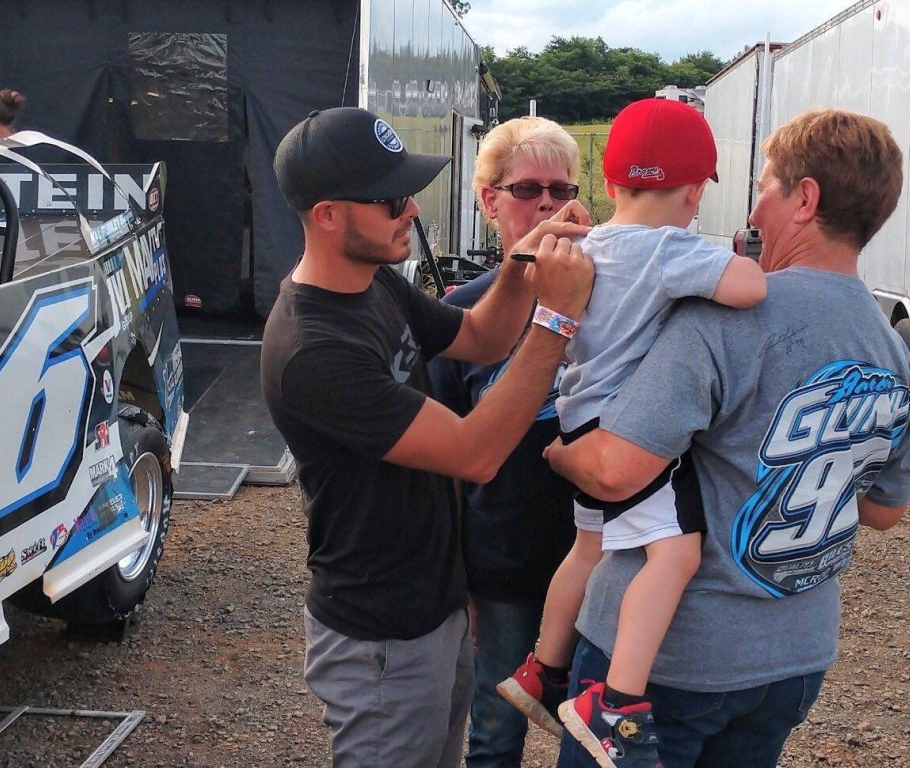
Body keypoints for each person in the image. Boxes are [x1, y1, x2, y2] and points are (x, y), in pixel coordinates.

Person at [546, 108, 910, 768]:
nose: (752, 212)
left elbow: (614, 470)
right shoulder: (890, 346)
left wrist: (557, 452)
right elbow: (885, 509)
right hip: (794, 659)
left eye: (766, 187)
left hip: (673, 663)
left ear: (805, 200)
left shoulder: (725, 319)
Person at [259, 106, 594, 768]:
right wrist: (557, 318)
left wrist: (522, 264)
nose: (410, 209)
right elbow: (476, 453)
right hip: (380, 635)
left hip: (433, 610)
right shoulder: (314, 349)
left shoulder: (375, 281)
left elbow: (483, 337)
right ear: (328, 215)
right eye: (391, 200)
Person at [495, 98, 767, 767]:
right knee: (674, 554)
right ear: (695, 191)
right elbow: (750, 289)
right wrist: (733, 259)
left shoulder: (588, 246)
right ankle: (616, 703)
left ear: (610, 183)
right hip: (626, 428)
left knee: (589, 546)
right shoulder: (672, 250)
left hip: (577, 413)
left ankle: (542, 668)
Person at [428, 116, 583, 767]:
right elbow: (439, 467)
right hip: (502, 563)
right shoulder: (459, 316)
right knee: (495, 729)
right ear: (489, 201)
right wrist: (455, 580)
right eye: (527, 189)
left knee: (594, 732)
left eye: (562, 188)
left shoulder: (619, 303)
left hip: (599, 559)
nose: (547, 203)